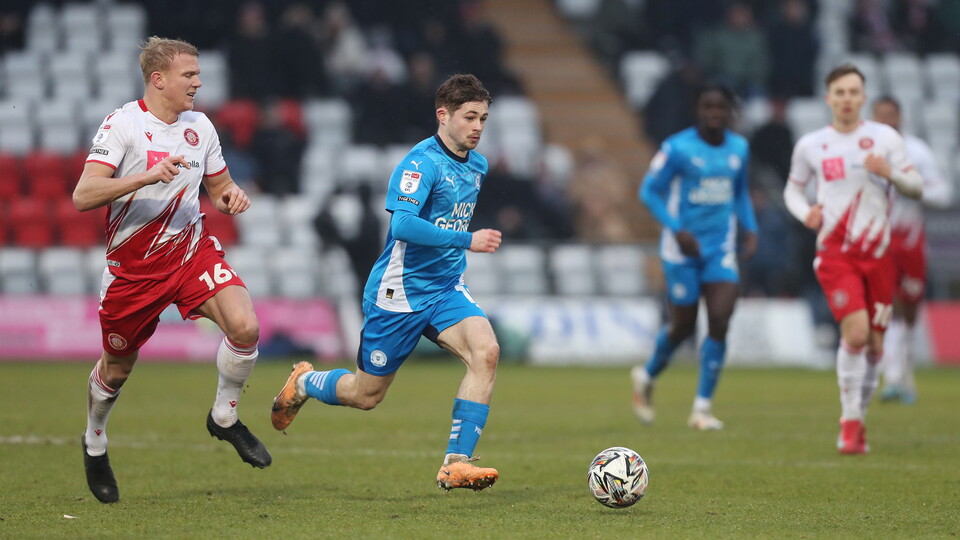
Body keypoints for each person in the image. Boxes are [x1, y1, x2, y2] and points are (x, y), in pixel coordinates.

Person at [271, 74, 503, 492]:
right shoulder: (421, 163)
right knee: (366, 395)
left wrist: (457, 249)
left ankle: (456, 462)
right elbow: (404, 224)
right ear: (443, 115)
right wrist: (466, 239)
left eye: (483, 118)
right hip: (399, 292)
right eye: (470, 117)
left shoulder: (478, 165)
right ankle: (304, 382)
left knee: (486, 352)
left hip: (446, 287)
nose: (478, 127)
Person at [74, 37, 270, 504]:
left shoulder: (200, 126)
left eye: (199, 74)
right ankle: (94, 440)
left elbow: (220, 187)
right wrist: (144, 176)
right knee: (117, 370)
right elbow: (83, 195)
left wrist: (231, 197)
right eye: (189, 75)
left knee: (245, 326)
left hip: (189, 253)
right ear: (159, 79)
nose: (199, 83)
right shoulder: (123, 125)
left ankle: (224, 416)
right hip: (134, 272)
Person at [782, 65, 922, 455]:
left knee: (876, 347)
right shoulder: (811, 145)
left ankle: (859, 419)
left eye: (853, 92)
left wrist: (889, 172)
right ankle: (848, 424)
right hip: (835, 255)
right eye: (839, 92)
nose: (846, 98)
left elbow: (917, 187)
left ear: (863, 98)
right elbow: (792, 192)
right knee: (856, 334)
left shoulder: (884, 139)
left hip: (878, 257)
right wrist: (804, 212)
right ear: (828, 98)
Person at [631, 83, 758, 431]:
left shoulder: (739, 148)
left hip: (720, 250)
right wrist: (677, 229)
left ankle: (701, 409)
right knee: (683, 326)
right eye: (708, 107)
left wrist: (750, 227)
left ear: (730, 112)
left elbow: (740, 192)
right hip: (681, 251)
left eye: (721, 108)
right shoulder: (677, 148)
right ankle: (645, 375)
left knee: (719, 317)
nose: (714, 114)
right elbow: (649, 192)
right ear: (698, 111)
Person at [871, 96, 953, 404]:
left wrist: (909, 187)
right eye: (880, 116)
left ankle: (905, 374)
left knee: (909, 310)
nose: (886, 121)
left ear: (900, 117)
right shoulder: (865, 152)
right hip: (878, 240)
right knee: (886, 305)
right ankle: (891, 377)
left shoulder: (916, 151)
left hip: (910, 240)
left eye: (891, 115)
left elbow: (942, 194)